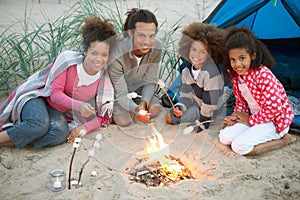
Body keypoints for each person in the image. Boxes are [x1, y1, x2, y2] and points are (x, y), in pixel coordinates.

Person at [0, 16, 116, 148]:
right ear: (85, 51)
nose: (99, 59)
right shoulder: (67, 61)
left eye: (104, 55)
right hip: (39, 98)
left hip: (57, 112)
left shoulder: (104, 82)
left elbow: (104, 116)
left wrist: (84, 127)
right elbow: (54, 93)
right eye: (94, 53)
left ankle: (14, 139)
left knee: (60, 133)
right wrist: (79, 105)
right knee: (39, 124)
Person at [219, 26, 296, 156]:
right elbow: (241, 101)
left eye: (242, 58)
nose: (237, 64)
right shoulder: (236, 75)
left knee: (239, 147)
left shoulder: (263, 74)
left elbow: (274, 108)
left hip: (274, 120)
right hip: (254, 117)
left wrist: (250, 121)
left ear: (252, 55)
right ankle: (251, 131)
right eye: (233, 59)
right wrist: (237, 116)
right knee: (224, 137)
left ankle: (284, 140)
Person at [165, 22, 225, 133]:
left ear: (211, 54)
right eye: (194, 49)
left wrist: (202, 123)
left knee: (172, 119)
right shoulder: (187, 69)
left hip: (212, 111)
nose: (196, 55)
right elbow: (186, 92)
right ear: (187, 48)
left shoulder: (211, 73)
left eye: (203, 52)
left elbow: (209, 103)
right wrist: (181, 107)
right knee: (170, 117)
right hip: (196, 104)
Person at [108, 8, 162, 127]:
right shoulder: (116, 53)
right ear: (130, 33)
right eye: (141, 35)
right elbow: (121, 93)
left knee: (153, 110)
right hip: (121, 91)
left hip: (139, 88)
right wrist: (136, 109)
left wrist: (144, 103)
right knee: (124, 121)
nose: (147, 42)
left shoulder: (157, 46)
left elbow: (150, 81)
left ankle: (140, 103)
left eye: (151, 36)